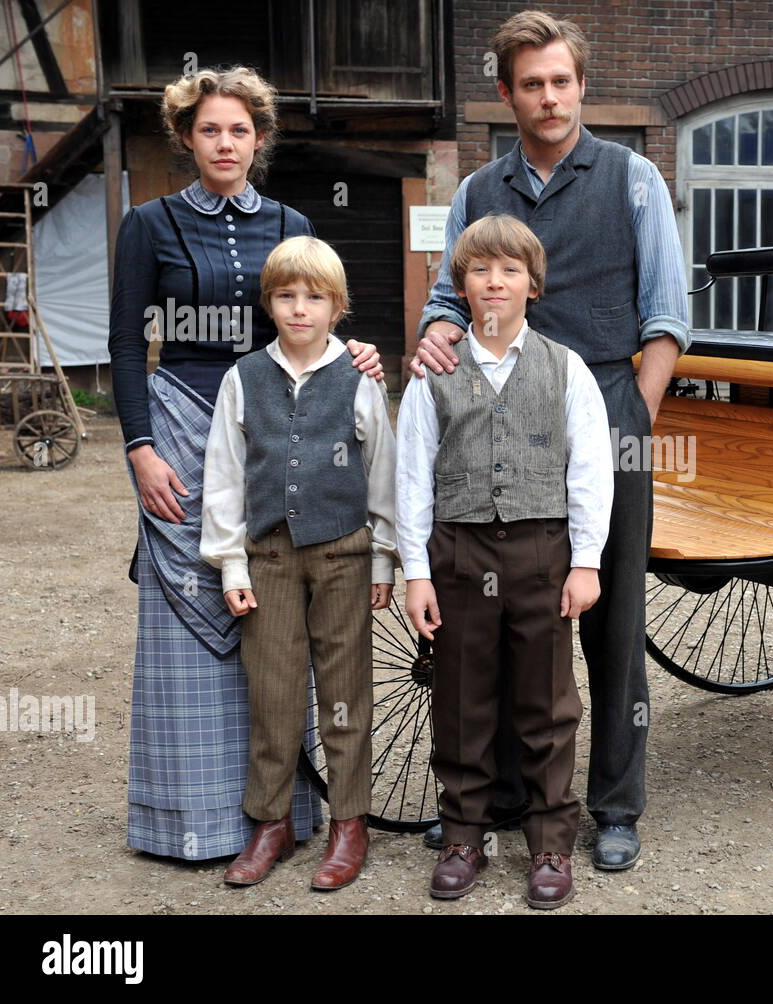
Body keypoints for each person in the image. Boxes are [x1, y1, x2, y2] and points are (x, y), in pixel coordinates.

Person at [411, 9, 689, 872]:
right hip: (492, 413)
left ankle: (611, 805)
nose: (549, 96)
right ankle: (497, 800)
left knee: (606, 613)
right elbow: (446, 303)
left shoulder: (633, 177)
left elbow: (668, 317)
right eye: (531, 83)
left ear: (581, 86)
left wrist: (627, 418)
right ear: (507, 94)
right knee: (494, 614)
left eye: (561, 80)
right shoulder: (475, 192)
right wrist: (433, 333)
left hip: (604, 400)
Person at [108, 67, 383, 861]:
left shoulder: (293, 220)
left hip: (273, 431)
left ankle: (289, 816)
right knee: (191, 621)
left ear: (259, 140)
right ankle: (193, 820)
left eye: (238, 130)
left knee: (278, 625)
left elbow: (314, 319)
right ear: (186, 139)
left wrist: (354, 354)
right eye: (208, 130)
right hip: (181, 429)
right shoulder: (148, 224)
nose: (224, 143)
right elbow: (129, 343)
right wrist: (138, 448)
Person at [398, 214, 613, 908]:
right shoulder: (435, 372)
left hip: (541, 553)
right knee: (461, 698)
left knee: (546, 703)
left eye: (510, 270)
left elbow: (591, 470)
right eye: (481, 269)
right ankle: (465, 834)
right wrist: (416, 571)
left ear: (533, 285)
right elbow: (409, 476)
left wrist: (586, 561)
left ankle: (550, 844)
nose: (495, 281)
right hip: (458, 552)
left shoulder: (564, 367)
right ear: (460, 285)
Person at [200, 236, 397, 889]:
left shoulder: (359, 376)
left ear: (336, 306)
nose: (299, 308)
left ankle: (348, 823)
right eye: (286, 296)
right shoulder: (244, 378)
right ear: (270, 303)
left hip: (343, 552)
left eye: (314, 297)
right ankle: (271, 822)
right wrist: (231, 564)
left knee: (344, 695)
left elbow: (382, 473)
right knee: (273, 690)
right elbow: (225, 476)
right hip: (269, 556)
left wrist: (384, 559)